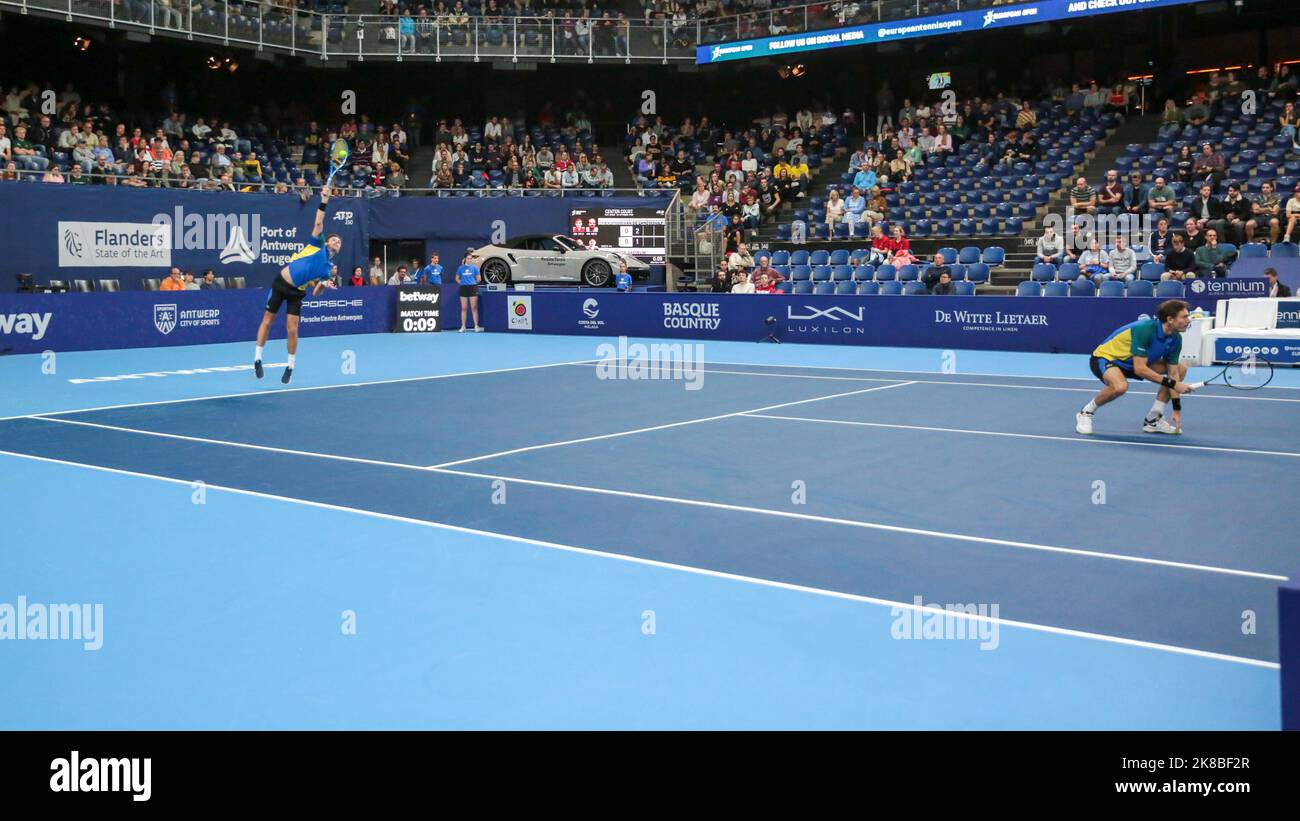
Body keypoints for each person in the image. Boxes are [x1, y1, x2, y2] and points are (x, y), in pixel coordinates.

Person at [252, 185, 341, 384]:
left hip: (297, 292)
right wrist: (324, 200)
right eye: (334, 239)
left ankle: (290, 366)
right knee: (268, 320)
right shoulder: (317, 244)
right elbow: (319, 221)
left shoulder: (327, 269)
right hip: (281, 282)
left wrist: (323, 285)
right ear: (327, 242)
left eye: (339, 242)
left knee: (292, 329)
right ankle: (257, 358)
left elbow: (316, 292)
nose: (337, 242)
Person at [1076, 300, 1193, 436]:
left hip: (1136, 362)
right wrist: (1174, 384)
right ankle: (1086, 412)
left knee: (1180, 369)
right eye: (1184, 317)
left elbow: (1173, 374)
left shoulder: (1176, 339)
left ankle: (1153, 420)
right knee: (1120, 387)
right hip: (1107, 358)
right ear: (1170, 319)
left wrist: (1177, 410)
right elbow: (1141, 370)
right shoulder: (1145, 329)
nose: (1188, 320)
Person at [456, 249, 483, 332]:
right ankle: (463, 326)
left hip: (473, 288)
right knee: (464, 308)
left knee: (474, 308)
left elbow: (479, 279)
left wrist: (472, 282)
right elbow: (457, 278)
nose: (469, 260)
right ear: (465, 259)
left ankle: (476, 326)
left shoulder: (475, 268)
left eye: (471, 258)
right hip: (463, 288)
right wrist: (462, 282)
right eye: (468, 258)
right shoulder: (460, 268)